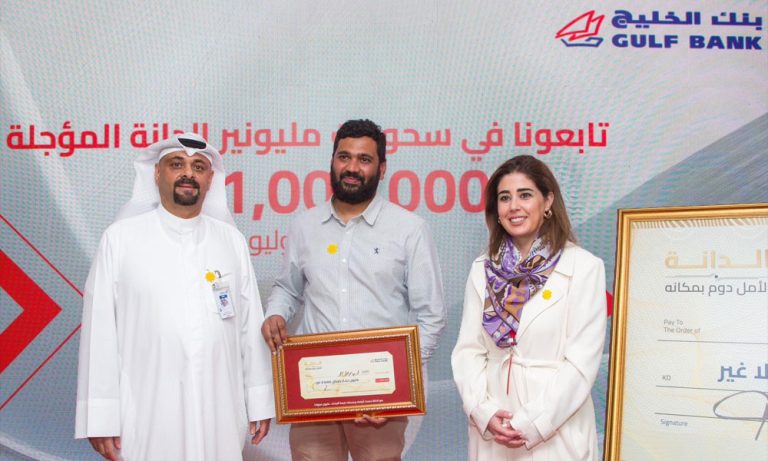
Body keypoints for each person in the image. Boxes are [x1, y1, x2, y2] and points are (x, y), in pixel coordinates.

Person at [75, 133, 274, 460]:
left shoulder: (231, 241)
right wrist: (101, 417)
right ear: (157, 173)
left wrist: (259, 400)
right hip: (148, 409)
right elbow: (100, 333)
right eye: (177, 164)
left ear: (210, 180)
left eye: (199, 167)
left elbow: (249, 327)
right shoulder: (120, 239)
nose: (188, 174)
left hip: (219, 409)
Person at [261, 119, 446, 461]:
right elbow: (288, 288)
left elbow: (431, 315)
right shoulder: (304, 225)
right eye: (344, 157)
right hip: (315, 390)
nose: (352, 168)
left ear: (382, 168)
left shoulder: (409, 229)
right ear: (332, 161)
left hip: (379, 398)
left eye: (364, 159)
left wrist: (398, 383)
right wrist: (275, 313)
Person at [451, 155, 606, 460]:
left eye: (525, 195)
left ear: (547, 201)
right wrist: (483, 411)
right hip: (495, 425)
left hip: (555, 426)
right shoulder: (482, 269)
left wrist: (530, 423)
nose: (514, 206)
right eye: (504, 198)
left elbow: (581, 363)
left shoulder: (584, 267)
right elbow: (468, 350)